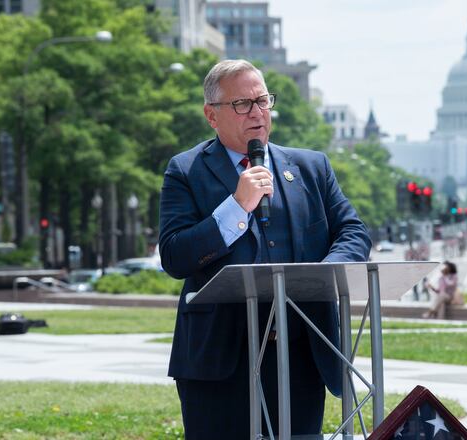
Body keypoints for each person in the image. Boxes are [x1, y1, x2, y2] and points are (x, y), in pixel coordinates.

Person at [158, 59, 371, 439]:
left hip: (301, 351)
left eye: (262, 100)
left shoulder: (311, 167)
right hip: (220, 360)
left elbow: (353, 232)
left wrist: (322, 275)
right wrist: (237, 207)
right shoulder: (185, 170)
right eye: (242, 104)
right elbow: (175, 255)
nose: (257, 112)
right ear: (212, 115)